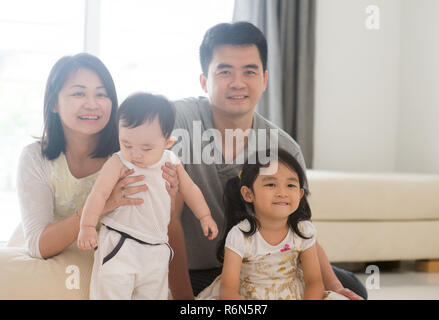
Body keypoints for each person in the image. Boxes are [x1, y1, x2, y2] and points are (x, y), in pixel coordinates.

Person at [167, 21, 367, 300]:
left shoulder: (284, 147)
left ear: (264, 79)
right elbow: (168, 220)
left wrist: (333, 286)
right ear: (204, 81)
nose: (238, 83)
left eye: (249, 71)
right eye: (224, 71)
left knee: (352, 287)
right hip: (194, 270)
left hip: (262, 268)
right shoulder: (178, 124)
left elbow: (300, 226)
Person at [15, 54, 177, 271]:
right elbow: (38, 246)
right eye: (79, 93)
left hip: (115, 271)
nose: (92, 104)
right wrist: (101, 205)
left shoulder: (132, 154)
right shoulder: (36, 157)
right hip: (54, 269)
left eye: (102, 94)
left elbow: (162, 229)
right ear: (54, 103)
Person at [77, 92, 218, 299]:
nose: (136, 154)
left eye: (146, 148)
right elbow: (98, 194)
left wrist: (205, 216)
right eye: (127, 145)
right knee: (111, 293)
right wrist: (87, 226)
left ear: (168, 142)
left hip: (156, 247)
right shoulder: (118, 162)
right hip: (121, 243)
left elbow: (190, 189)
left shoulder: (171, 161)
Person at [197, 149, 347, 300]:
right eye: (271, 184)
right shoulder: (240, 235)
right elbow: (228, 291)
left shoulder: (303, 231)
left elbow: (314, 282)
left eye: (290, 185)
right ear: (248, 194)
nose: (282, 193)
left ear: (300, 195)